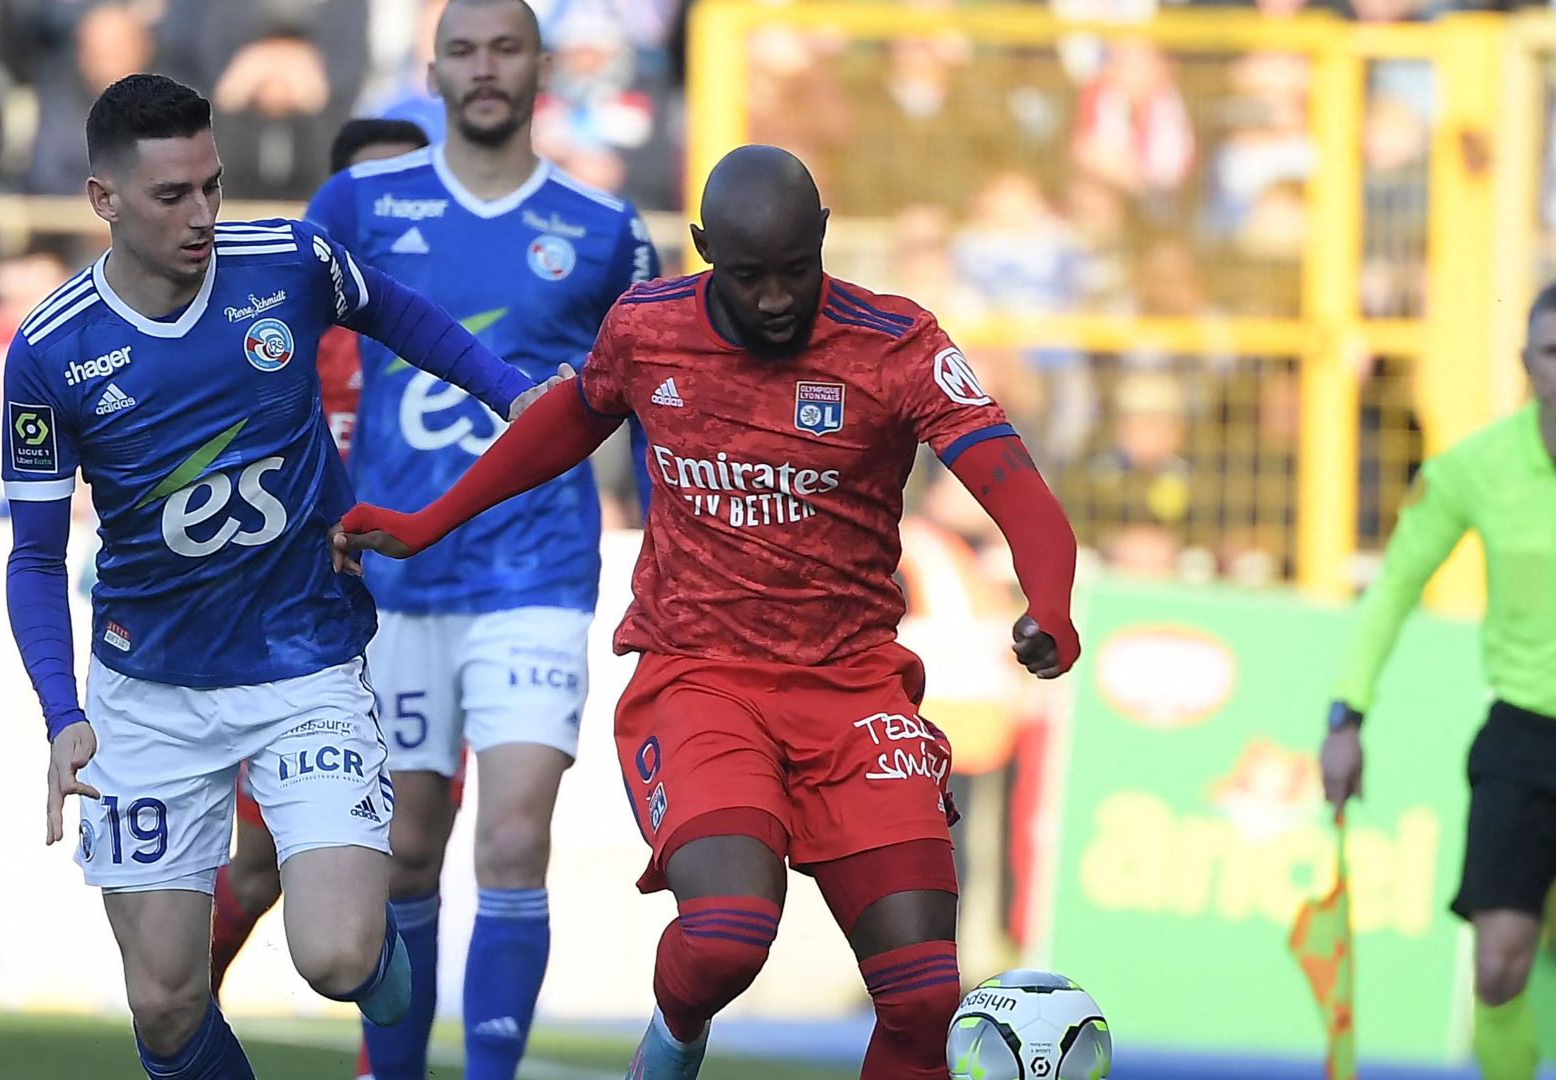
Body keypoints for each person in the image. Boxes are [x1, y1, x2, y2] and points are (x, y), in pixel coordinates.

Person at [336, 144, 1081, 1080]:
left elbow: (1017, 489)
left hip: (854, 693)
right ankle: (675, 1038)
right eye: (748, 276)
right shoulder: (648, 328)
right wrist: (429, 521)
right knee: (728, 936)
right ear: (700, 251)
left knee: (927, 996)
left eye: (794, 271)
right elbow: (573, 415)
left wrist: (1049, 602)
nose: (775, 298)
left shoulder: (898, 343)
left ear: (824, 239)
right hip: (701, 680)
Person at [1, 73, 547, 1080]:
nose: (203, 214)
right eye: (172, 196)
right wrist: (60, 711)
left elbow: (404, 316)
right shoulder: (50, 352)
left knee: (336, 957)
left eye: (212, 186)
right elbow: (34, 556)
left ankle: (381, 969)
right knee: (166, 1009)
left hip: (304, 667)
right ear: (104, 200)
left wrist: (514, 398)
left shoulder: (287, 263)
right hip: (149, 694)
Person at [303, 3, 660, 1078]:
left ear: (541, 65)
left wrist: (665, 539)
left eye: (505, 47)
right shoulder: (360, 203)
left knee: (511, 837)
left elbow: (659, 402)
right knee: (405, 853)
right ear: (435, 68)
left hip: (536, 572)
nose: (486, 68)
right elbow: (272, 346)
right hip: (393, 582)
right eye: (464, 50)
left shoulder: (604, 228)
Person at [209, 116, 437, 986]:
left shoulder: (439, 340)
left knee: (411, 854)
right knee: (262, 867)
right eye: (371, 199)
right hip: (297, 631)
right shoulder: (282, 336)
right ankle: (188, 1009)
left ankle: (388, 1058)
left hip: (420, 620)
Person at [1321, 284, 1556, 1080]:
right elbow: (1394, 588)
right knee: (1498, 966)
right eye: (1554, 353)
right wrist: (1347, 715)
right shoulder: (1476, 469)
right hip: (1526, 733)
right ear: (1526, 362)